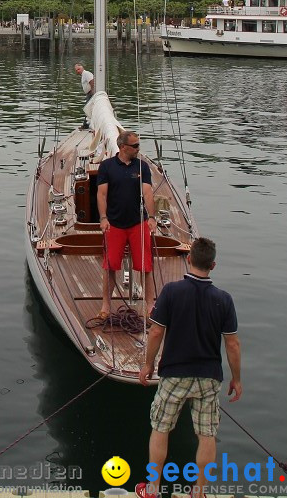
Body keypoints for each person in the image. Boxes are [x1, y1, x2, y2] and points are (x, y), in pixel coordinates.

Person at [136, 237, 242, 498]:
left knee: (161, 429)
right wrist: (236, 379)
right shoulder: (224, 300)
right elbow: (232, 345)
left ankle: (152, 489)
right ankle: (199, 493)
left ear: (189, 259)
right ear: (213, 265)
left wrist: (148, 365)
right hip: (209, 378)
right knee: (206, 434)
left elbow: (156, 333)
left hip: (174, 374)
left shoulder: (171, 292)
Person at [96, 130, 156, 318]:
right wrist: (103, 218)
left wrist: (152, 217)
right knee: (110, 266)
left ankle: (150, 306)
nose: (139, 148)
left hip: (138, 223)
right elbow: (102, 194)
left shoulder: (142, 167)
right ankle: (106, 305)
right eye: (135, 145)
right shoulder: (106, 167)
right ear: (123, 147)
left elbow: (147, 193)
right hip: (115, 224)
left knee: (145, 266)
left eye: (139, 144)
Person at [74, 62, 94, 127]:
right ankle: (87, 124)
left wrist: (92, 92)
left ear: (82, 68)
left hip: (91, 93)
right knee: (87, 108)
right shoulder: (83, 75)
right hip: (88, 94)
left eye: (78, 69)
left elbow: (92, 81)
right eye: (76, 70)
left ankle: (86, 124)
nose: (77, 71)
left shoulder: (86, 74)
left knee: (87, 108)